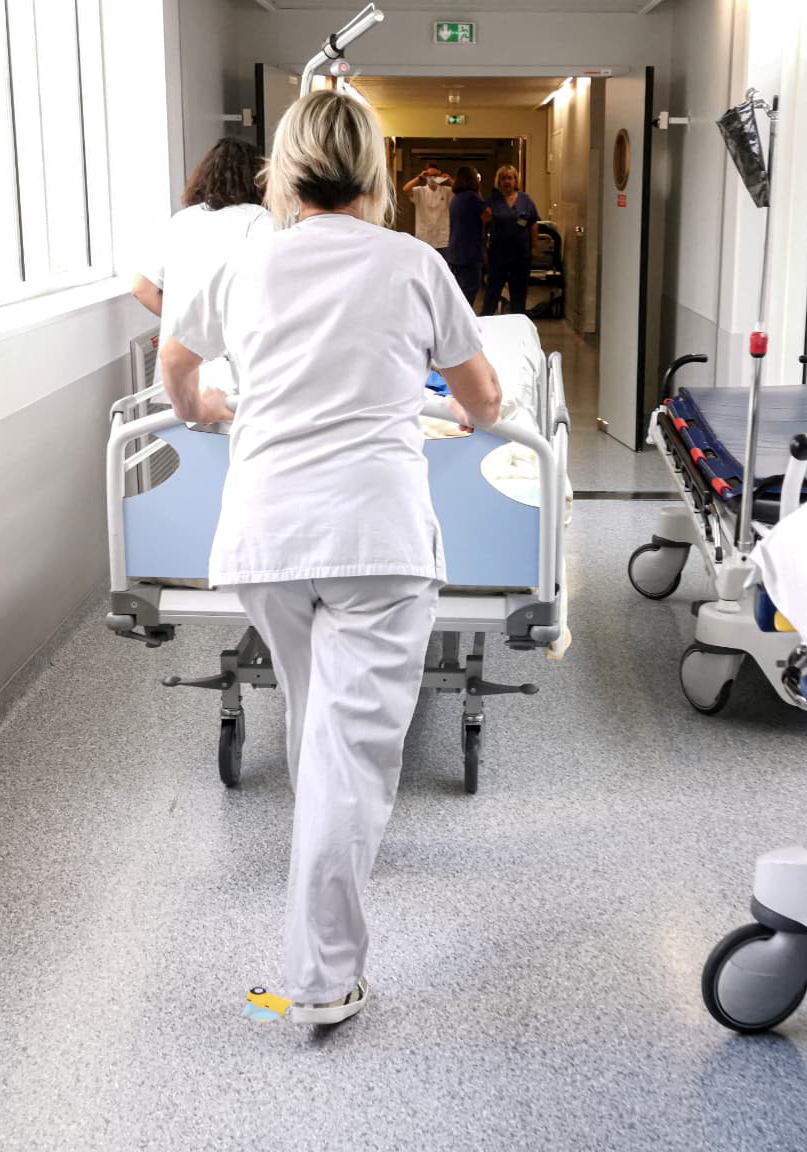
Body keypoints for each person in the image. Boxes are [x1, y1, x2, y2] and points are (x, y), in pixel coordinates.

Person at [159, 90, 502, 1027]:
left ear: (285, 170)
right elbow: (485, 398)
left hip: (265, 542)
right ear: (376, 174)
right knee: (347, 758)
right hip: (374, 543)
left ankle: (319, 955)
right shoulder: (413, 263)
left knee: (320, 734)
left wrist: (205, 409)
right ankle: (321, 980)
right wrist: (463, 410)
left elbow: (176, 366)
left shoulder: (244, 263)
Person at [132, 138, 273, 396]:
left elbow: (142, 289)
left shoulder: (180, 221)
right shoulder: (258, 220)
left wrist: (188, 326)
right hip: (229, 382)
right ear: (258, 179)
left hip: (176, 379)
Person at [481, 164, 539, 317]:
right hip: (498, 256)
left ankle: (518, 325)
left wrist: (534, 247)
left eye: (510, 178)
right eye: (503, 178)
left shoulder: (525, 200)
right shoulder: (492, 200)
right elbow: (484, 225)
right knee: (491, 295)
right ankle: (484, 325)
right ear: (498, 182)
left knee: (519, 296)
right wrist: (484, 250)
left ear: (515, 181)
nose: (507, 181)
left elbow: (533, 224)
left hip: (521, 256)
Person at [441, 166, 489, 310]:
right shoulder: (472, 197)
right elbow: (487, 216)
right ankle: (463, 318)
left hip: (456, 252)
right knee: (470, 290)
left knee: (460, 290)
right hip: (470, 252)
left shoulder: (456, 199)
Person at [400, 163, 452, 251]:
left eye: (435, 175)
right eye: (429, 175)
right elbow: (406, 189)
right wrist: (420, 177)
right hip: (424, 237)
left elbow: (460, 190)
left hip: (442, 238)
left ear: (439, 176)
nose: (432, 178)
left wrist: (449, 179)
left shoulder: (446, 190)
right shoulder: (420, 190)